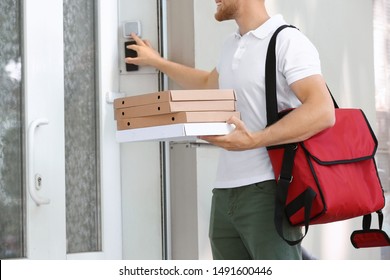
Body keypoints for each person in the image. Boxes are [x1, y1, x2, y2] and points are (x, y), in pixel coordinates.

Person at [125, 0, 335, 260]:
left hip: (268, 191)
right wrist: (157, 62)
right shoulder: (231, 45)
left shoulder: (287, 41)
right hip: (224, 194)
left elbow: (323, 111)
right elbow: (206, 83)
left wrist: (255, 140)